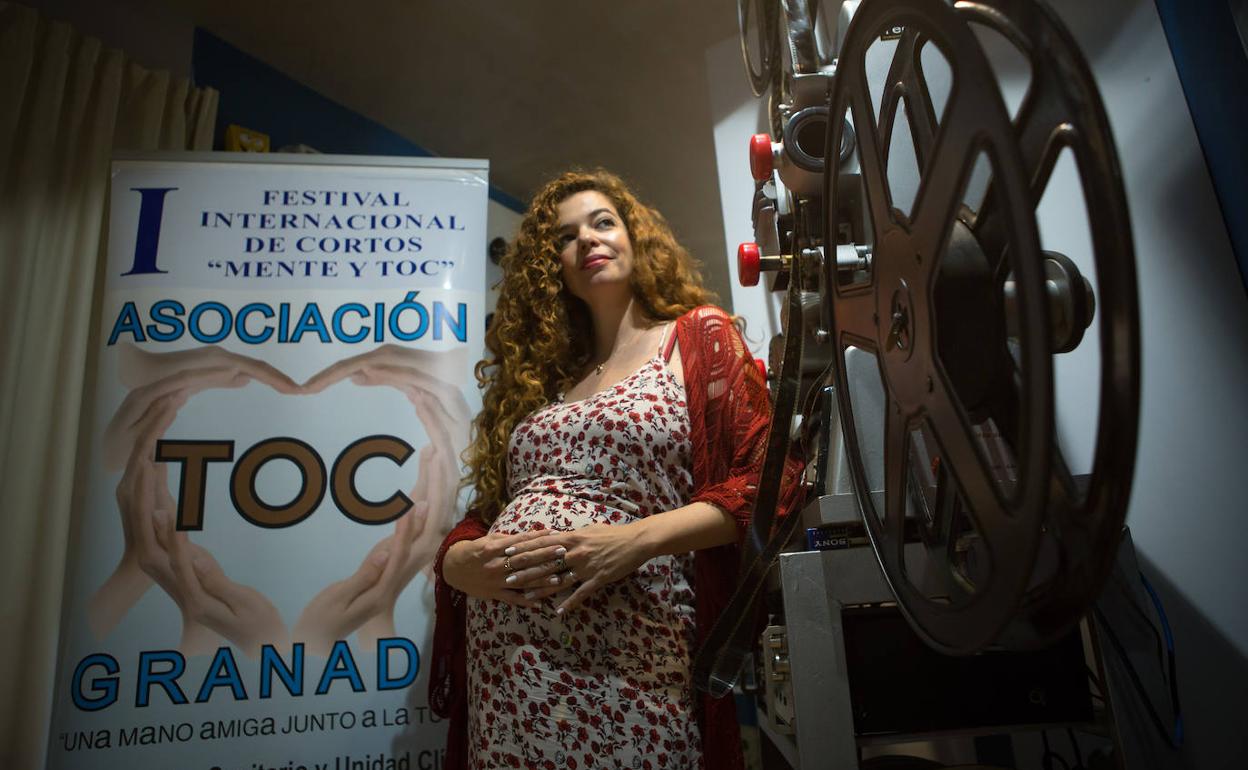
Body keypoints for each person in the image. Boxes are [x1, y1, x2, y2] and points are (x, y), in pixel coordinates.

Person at [429, 169, 798, 770]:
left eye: (602, 222)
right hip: (508, 677)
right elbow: (491, 510)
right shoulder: (544, 380)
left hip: (633, 660)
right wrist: (455, 561)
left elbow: (770, 482)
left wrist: (632, 541)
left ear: (635, 236)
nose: (587, 240)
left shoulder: (695, 338)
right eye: (565, 237)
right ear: (551, 268)